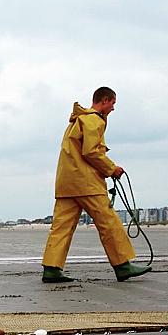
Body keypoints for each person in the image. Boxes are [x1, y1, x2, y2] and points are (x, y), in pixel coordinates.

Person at [42, 87, 151, 283]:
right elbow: (91, 151)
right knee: (109, 223)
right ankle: (122, 265)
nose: (113, 108)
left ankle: (51, 269)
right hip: (87, 184)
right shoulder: (93, 120)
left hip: (66, 184)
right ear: (105, 100)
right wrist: (112, 169)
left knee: (61, 227)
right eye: (113, 103)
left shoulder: (77, 121)